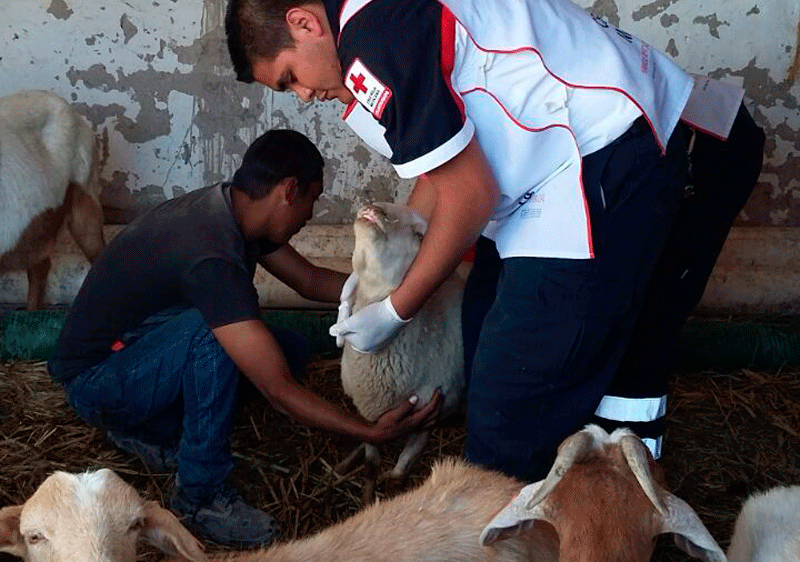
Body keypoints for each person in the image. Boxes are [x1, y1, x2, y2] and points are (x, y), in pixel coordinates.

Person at [224, 0, 765, 482]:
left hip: (618, 151)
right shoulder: (367, 37)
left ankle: (600, 501)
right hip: (561, 164)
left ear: (303, 21)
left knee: (519, 396)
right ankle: (567, 481)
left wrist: (396, 307)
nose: (302, 95)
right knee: (484, 332)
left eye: (289, 77)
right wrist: (392, 272)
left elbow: (469, 192)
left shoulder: (373, 37)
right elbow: (440, 168)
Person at [47, 128, 442, 547]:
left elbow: (309, 280)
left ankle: (150, 427)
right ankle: (199, 495)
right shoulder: (210, 252)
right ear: (289, 190)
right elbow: (278, 391)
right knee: (215, 340)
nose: (311, 213)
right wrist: (369, 431)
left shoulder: (235, 212)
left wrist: (393, 302)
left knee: (288, 350)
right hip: (96, 378)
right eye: (313, 198)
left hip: (138, 348)